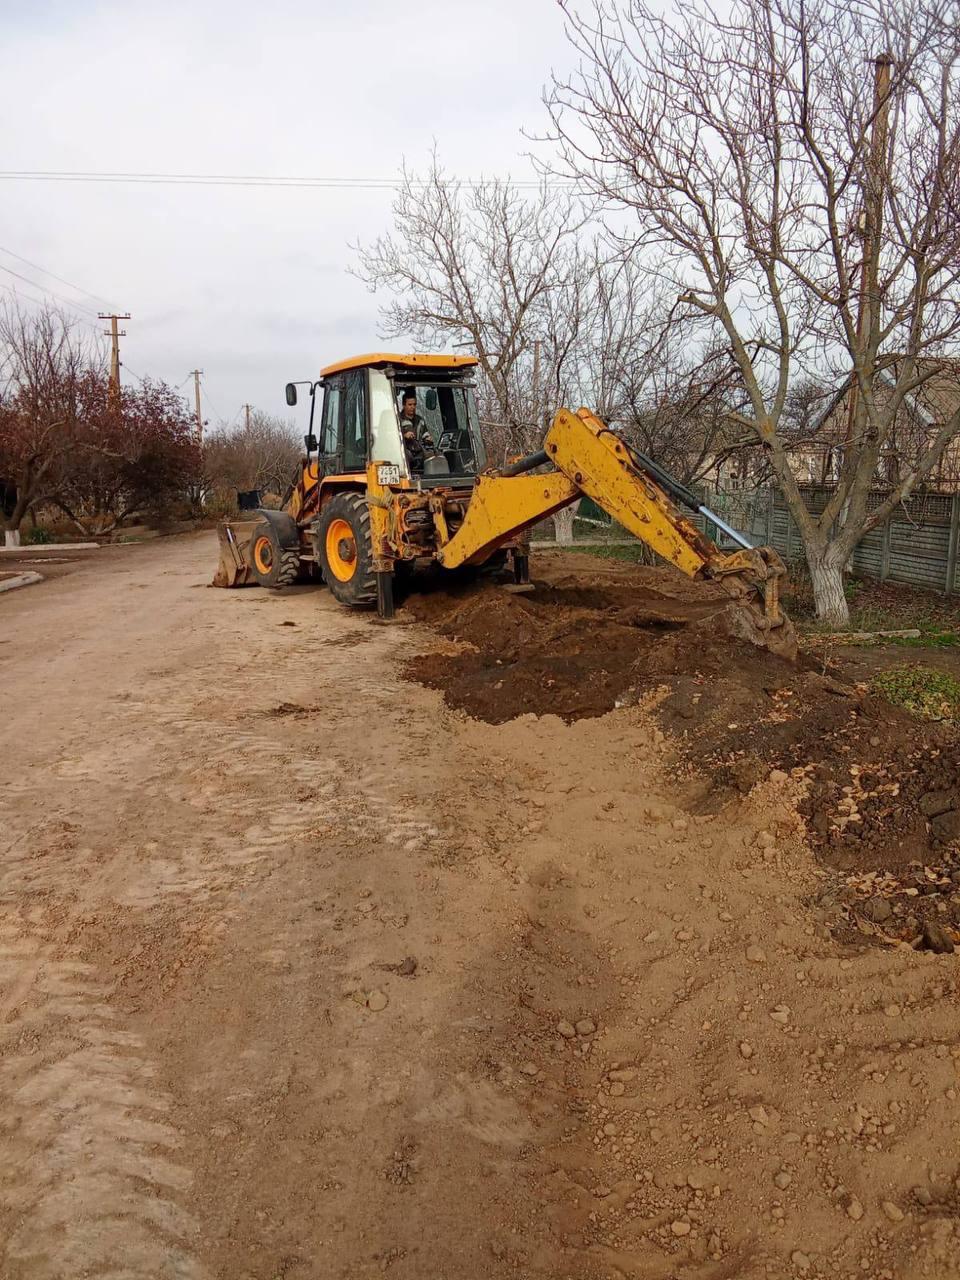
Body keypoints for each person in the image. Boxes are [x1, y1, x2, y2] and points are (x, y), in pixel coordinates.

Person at [399, 388, 434, 472]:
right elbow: (392, 439)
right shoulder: (397, 420)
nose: (413, 407)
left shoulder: (420, 420)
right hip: (405, 454)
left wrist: (428, 438)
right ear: (404, 405)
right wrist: (404, 436)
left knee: (435, 456)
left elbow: (425, 434)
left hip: (420, 453)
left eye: (414, 404)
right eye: (410, 405)